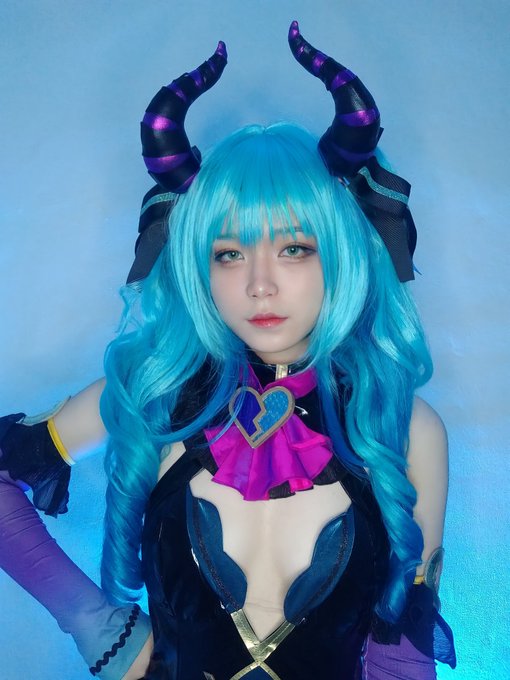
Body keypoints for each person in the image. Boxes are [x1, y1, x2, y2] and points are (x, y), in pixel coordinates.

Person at [0, 22, 456, 680]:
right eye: (229, 253)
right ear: (199, 265)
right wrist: (93, 623)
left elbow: (402, 656)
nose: (259, 284)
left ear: (342, 255)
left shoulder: (405, 427)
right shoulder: (151, 398)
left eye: (294, 248)